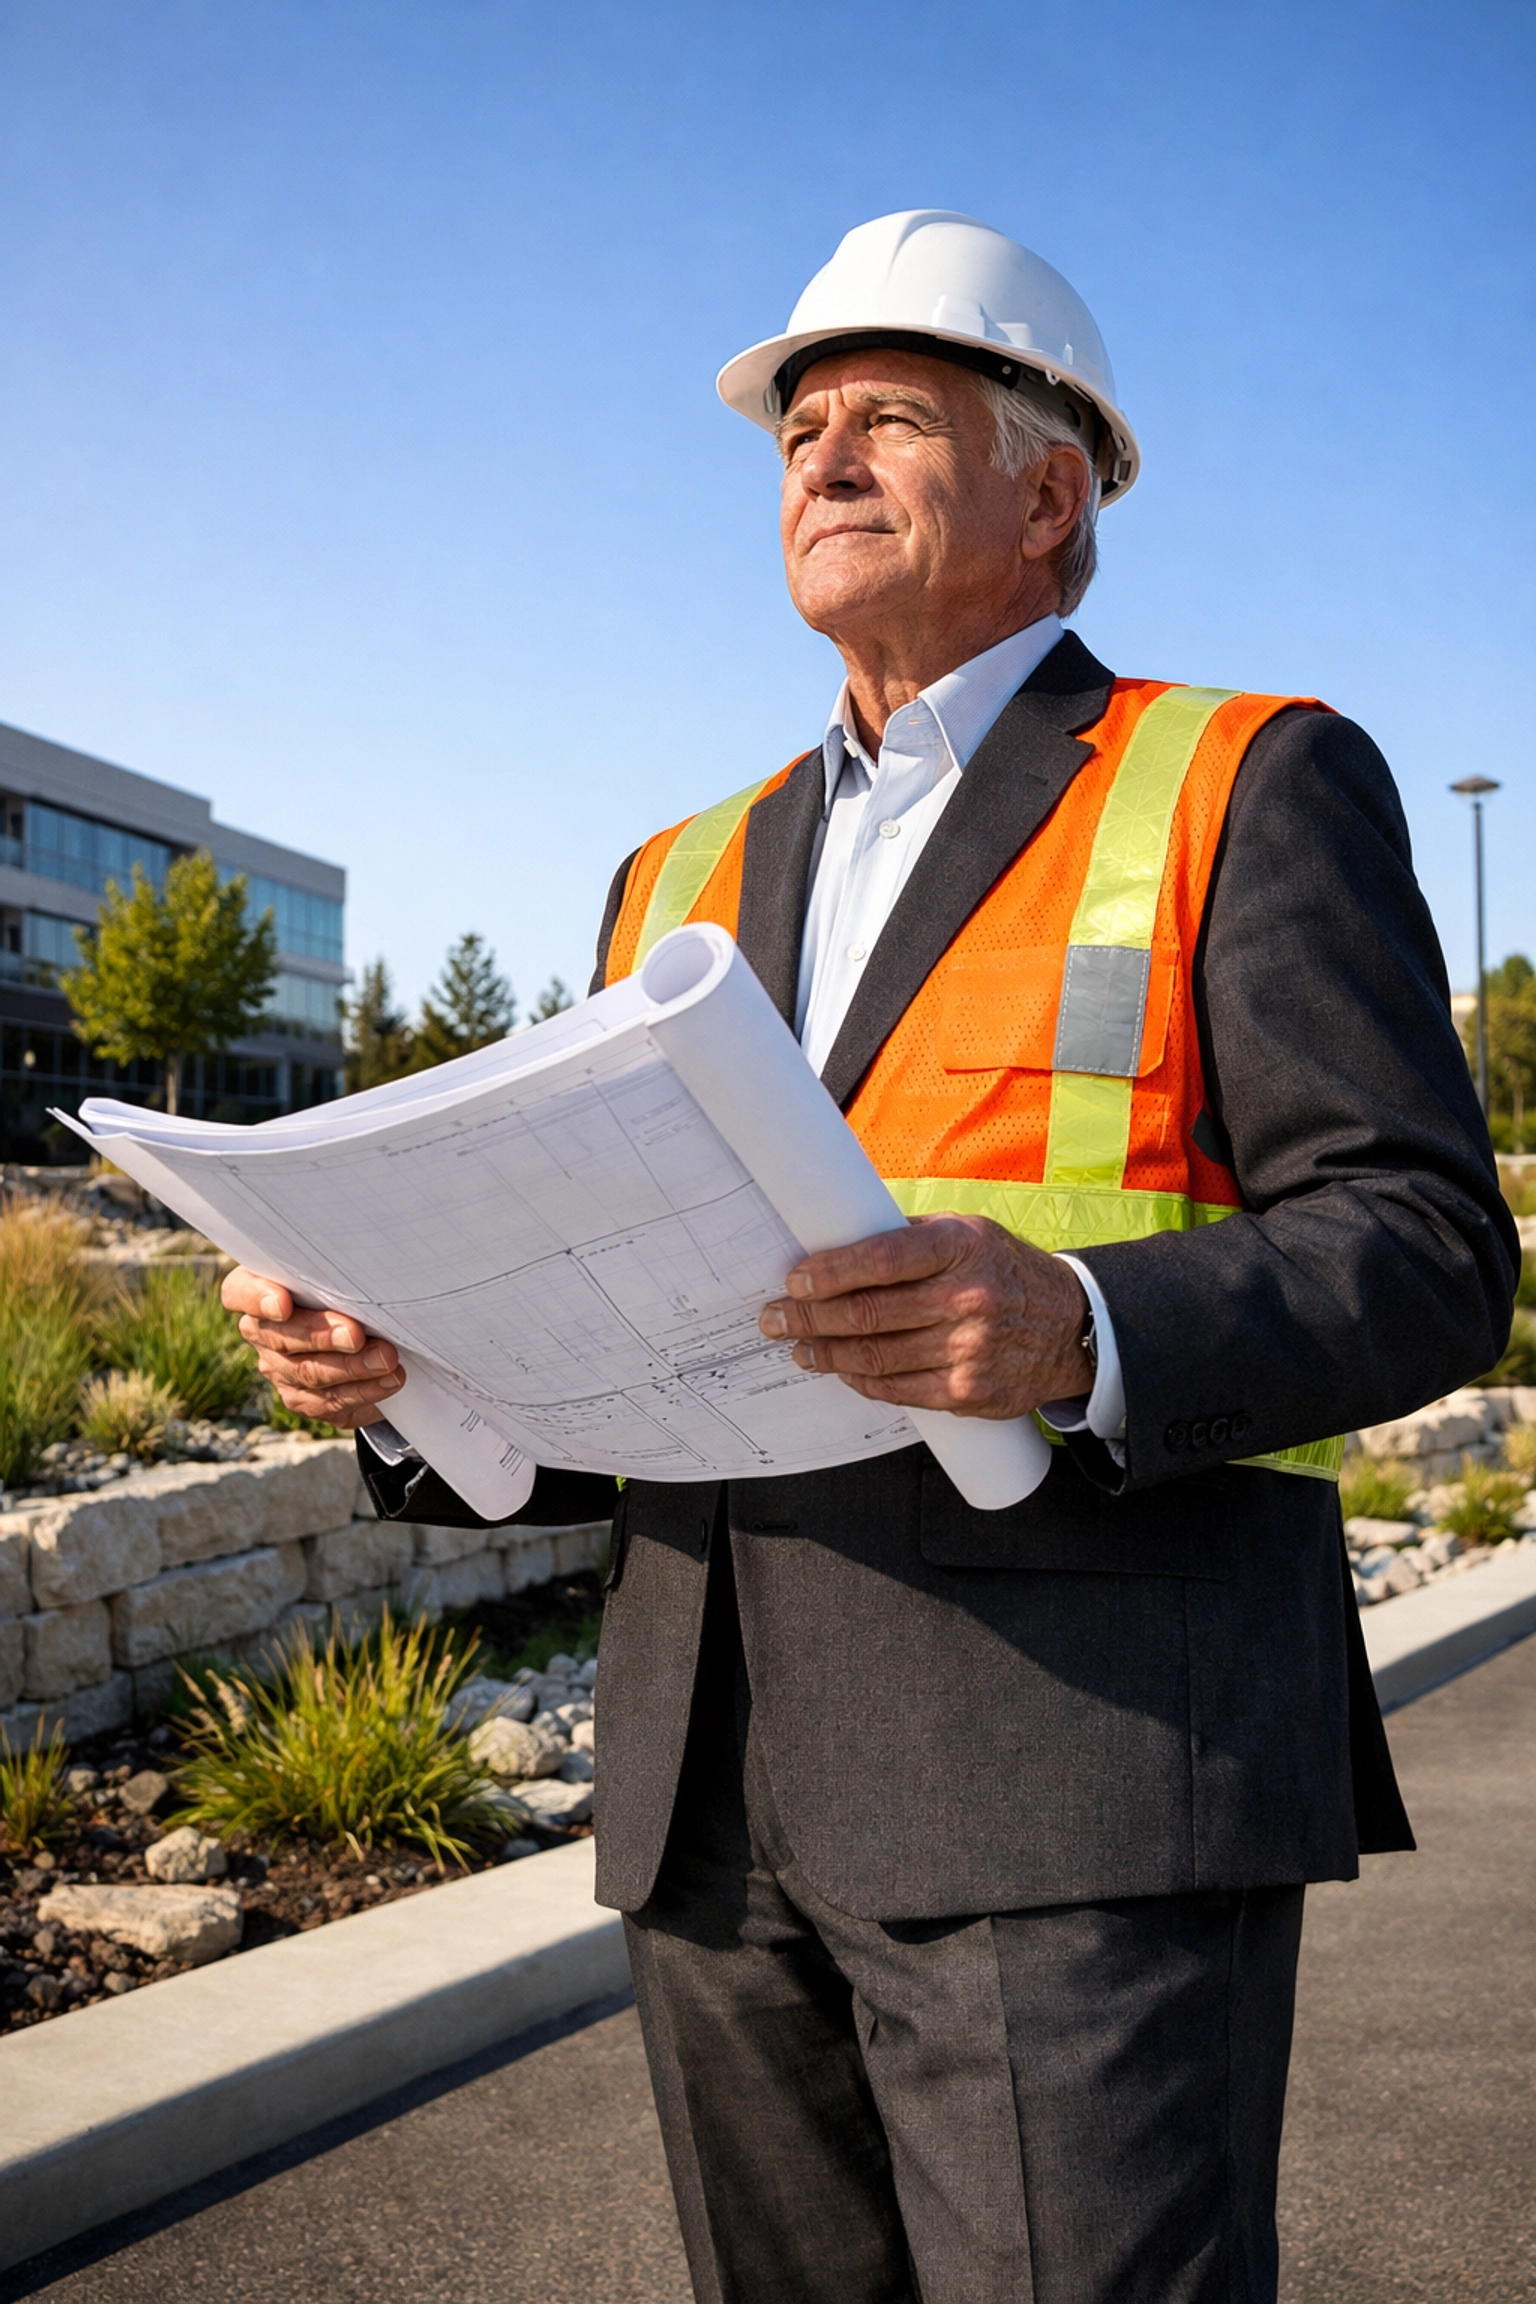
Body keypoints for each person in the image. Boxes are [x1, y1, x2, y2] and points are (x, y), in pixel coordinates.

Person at [225, 211, 1517, 2303]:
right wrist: (414, 1367)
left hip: (1076, 1765)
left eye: (886, 416)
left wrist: (1078, 1325)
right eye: (798, 426)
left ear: (1049, 490)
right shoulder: (677, 871)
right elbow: (627, 1340)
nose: (817, 454)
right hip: (713, 1792)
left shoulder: (1239, 781)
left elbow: (1431, 1248)